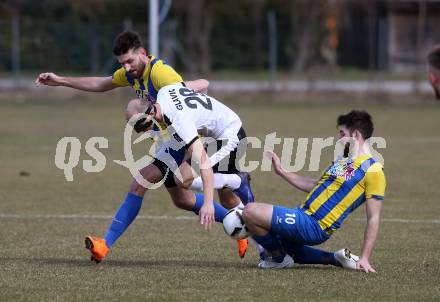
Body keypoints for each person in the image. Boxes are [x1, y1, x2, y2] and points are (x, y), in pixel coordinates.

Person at [85, 83, 256, 263]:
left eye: (142, 125)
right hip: (185, 138)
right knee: (177, 196)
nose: (144, 132)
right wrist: (201, 120)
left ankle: (238, 182)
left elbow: (204, 162)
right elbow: (200, 87)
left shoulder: (178, 117)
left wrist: (208, 204)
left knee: (185, 179)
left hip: (229, 136)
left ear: (151, 113)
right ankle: (104, 245)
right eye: (137, 129)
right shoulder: (164, 92)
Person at [243, 110, 386, 272]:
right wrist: (282, 172)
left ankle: (279, 259)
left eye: (342, 134)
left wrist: (365, 257)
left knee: (249, 211)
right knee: (280, 243)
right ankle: (336, 259)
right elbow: (316, 186)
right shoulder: (343, 159)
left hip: (316, 225)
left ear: (356, 135)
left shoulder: (374, 170)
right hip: (302, 215)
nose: (338, 139)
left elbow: (374, 217)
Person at [35, 30, 209, 103]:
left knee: (134, 107)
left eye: (129, 61)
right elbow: (100, 84)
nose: (126, 67)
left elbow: (200, 86)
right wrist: (59, 80)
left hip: (188, 134)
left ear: (142, 53)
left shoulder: (160, 73)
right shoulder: (129, 74)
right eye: (122, 63)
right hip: (168, 135)